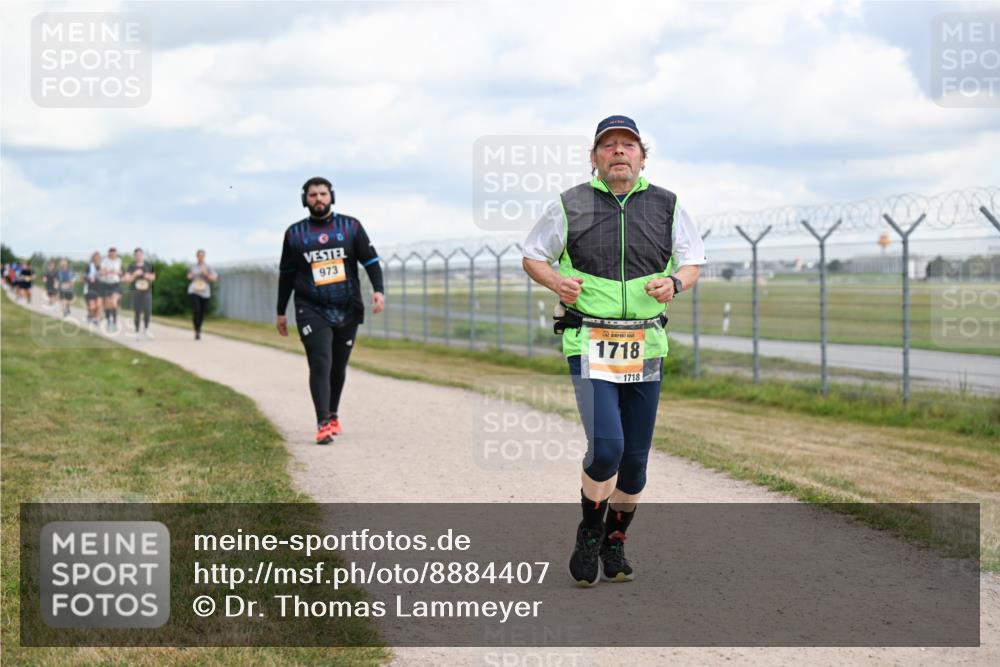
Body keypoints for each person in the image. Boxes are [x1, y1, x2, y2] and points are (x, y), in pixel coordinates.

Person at [521, 115, 707, 586]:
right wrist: (556, 281)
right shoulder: (570, 204)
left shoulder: (668, 204)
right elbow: (532, 255)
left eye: (628, 145)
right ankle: (590, 526)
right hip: (589, 340)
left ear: (642, 157)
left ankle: (615, 540)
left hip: (646, 342)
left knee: (635, 461)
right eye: (609, 146)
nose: (618, 152)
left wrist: (674, 283)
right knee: (607, 448)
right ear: (594, 158)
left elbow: (692, 262)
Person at [276, 176, 385, 445]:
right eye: (312, 195)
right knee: (320, 361)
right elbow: (286, 276)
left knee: (338, 366)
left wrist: (378, 290)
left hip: (347, 306)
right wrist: (281, 311)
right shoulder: (294, 234)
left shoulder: (351, 227)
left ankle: (333, 413)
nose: (318, 199)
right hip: (310, 307)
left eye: (323, 194)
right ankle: (322, 422)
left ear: (331, 196)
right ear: (305, 200)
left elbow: (371, 262)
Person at [124, 247, 156, 339]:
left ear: (142, 255)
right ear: (134, 256)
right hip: (135, 291)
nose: (138, 256)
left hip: (147, 291)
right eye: (136, 255)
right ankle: (137, 332)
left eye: (140, 254)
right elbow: (127, 279)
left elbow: (153, 277)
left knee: (147, 311)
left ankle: (146, 330)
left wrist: (147, 276)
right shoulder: (131, 266)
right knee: (137, 311)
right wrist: (135, 274)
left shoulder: (148, 265)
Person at [187, 249, 218, 340]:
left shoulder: (208, 267)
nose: (200, 257)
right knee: (196, 310)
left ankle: (199, 328)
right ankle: (196, 330)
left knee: (201, 312)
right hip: (194, 290)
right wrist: (192, 275)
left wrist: (206, 273)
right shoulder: (193, 267)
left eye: (202, 255)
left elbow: (214, 278)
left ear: (204, 256)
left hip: (204, 292)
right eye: (199, 255)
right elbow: (188, 276)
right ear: (197, 256)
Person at [99, 247, 124, 331]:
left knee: (113, 302)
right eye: (112, 253)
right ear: (109, 253)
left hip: (116, 284)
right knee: (107, 305)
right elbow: (101, 273)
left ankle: (114, 321)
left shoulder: (119, 261)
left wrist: (118, 272)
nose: (113, 254)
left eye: (115, 253)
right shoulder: (104, 261)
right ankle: (108, 321)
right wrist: (109, 271)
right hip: (106, 284)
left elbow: (121, 272)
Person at [84, 251, 102, 326]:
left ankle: (96, 319)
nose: (97, 259)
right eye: (95, 258)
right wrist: (89, 278)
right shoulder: (89, 267)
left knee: (98, 305)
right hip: (90, 288)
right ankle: (90, 315)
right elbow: (84, 276)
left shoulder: (102, 267)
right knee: (92, 306)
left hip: (100, 288)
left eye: (98, 258)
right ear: (93, 258)